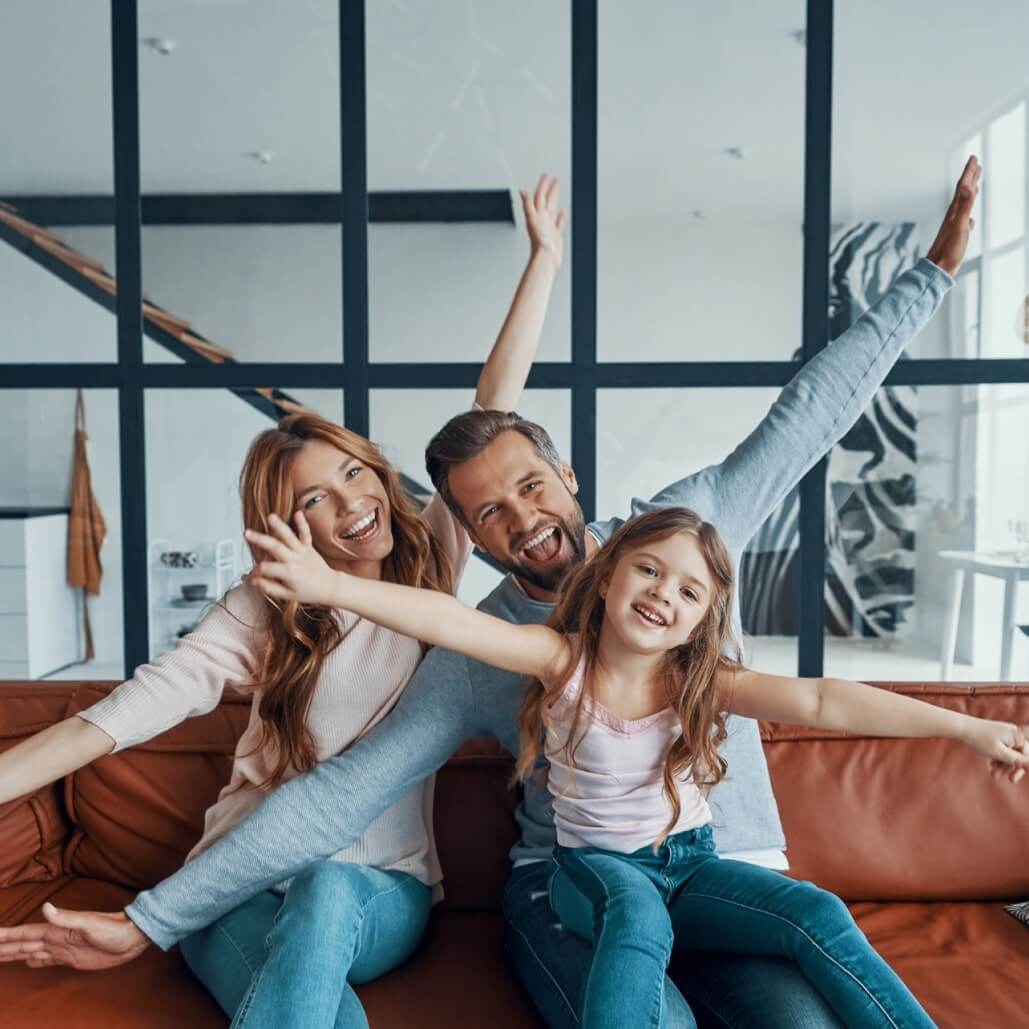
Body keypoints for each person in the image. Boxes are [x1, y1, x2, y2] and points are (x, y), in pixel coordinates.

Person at [0, 159, 981, 1029]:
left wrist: (933, 273)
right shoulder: (490, 644)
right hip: (572, 891)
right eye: (487, 515)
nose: (519, 519)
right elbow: (340, 788)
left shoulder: (682, 536)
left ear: (570, 479)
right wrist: (150, 917)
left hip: (729, 871)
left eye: (531, 489)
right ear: (468, 535)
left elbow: (813, 411)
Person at [0, 174, 567, 1029]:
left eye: (352, 472)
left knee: (330, 891)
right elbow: (112, 719)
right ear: (283, 524)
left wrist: (544, 261)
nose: (351, 504)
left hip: (379, 892)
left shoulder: (428, 560)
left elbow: (492, 408)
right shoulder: (258, 612)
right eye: (314, 500)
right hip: (234, 889)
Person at [234, 502, 1028, 1028]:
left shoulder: (701, 682)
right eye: (648, 569)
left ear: (697, 623)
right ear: (607, 574)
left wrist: (965, 729)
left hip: (692, 864)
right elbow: (445, 618)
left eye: (688, 592)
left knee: (814, 912)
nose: (662, 595)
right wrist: (329, 583)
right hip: (594, 873)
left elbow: (825, 701)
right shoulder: (560, 660)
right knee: (637, 920)